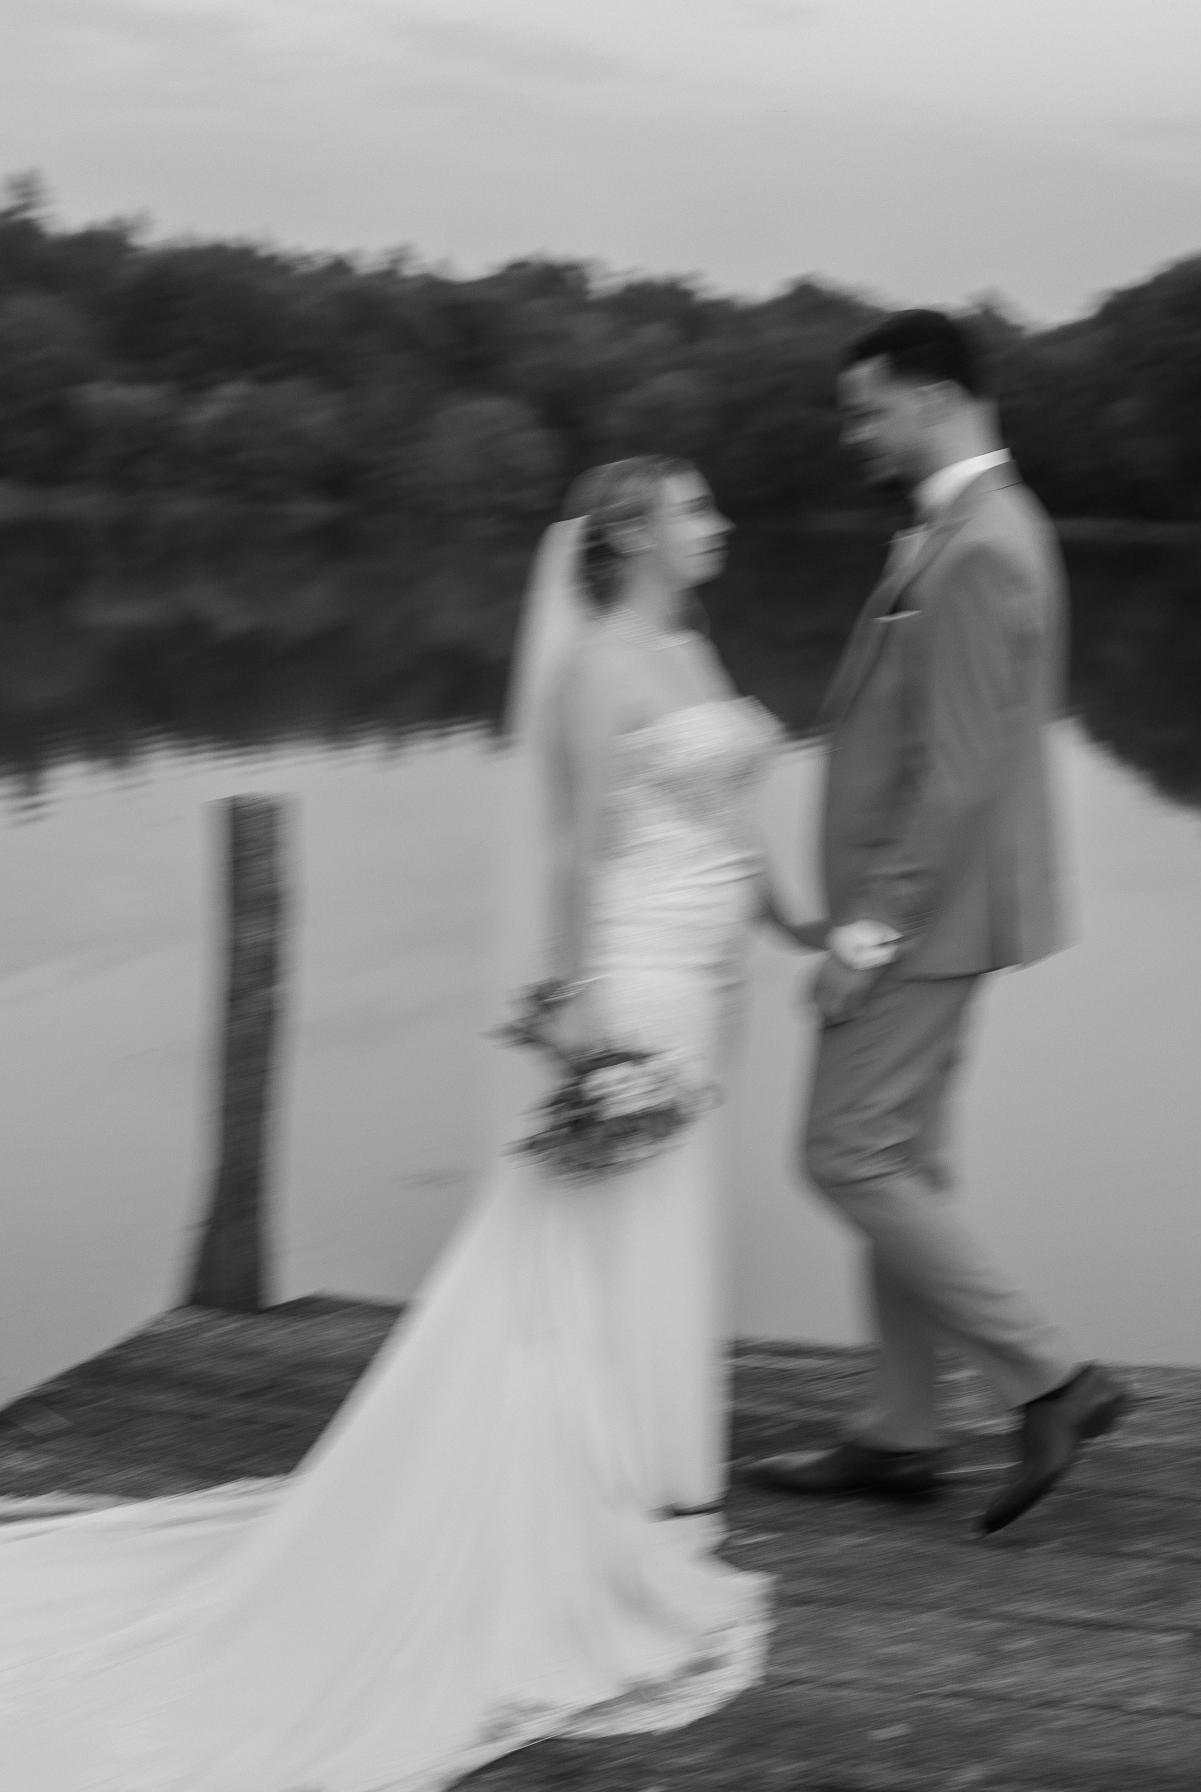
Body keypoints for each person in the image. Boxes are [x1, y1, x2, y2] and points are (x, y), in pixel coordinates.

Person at [0, 457, 786, 1790]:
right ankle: (572, 1483)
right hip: (636, 971)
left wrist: (788, 930)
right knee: (590, 1223)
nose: (717, 523)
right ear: (634, 536)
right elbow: (574, 846)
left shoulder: (689, 647)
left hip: (706, 974)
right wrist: (577, 1001)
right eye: (695, 508)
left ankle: (641, 1468)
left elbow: (725, 815)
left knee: (655, 1220)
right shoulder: (594, 667)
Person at [749, 310, 1130, 1535]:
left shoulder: (981, 548)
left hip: (923, 913)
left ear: (935, 398)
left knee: (843, 1155)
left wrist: (870, 930)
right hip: (942, 907)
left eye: (866, 409)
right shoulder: (964, 528)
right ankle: (901, 1432)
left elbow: (960, 772)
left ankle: (1051, 1380)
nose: (851, 433)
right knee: (898, 1163)